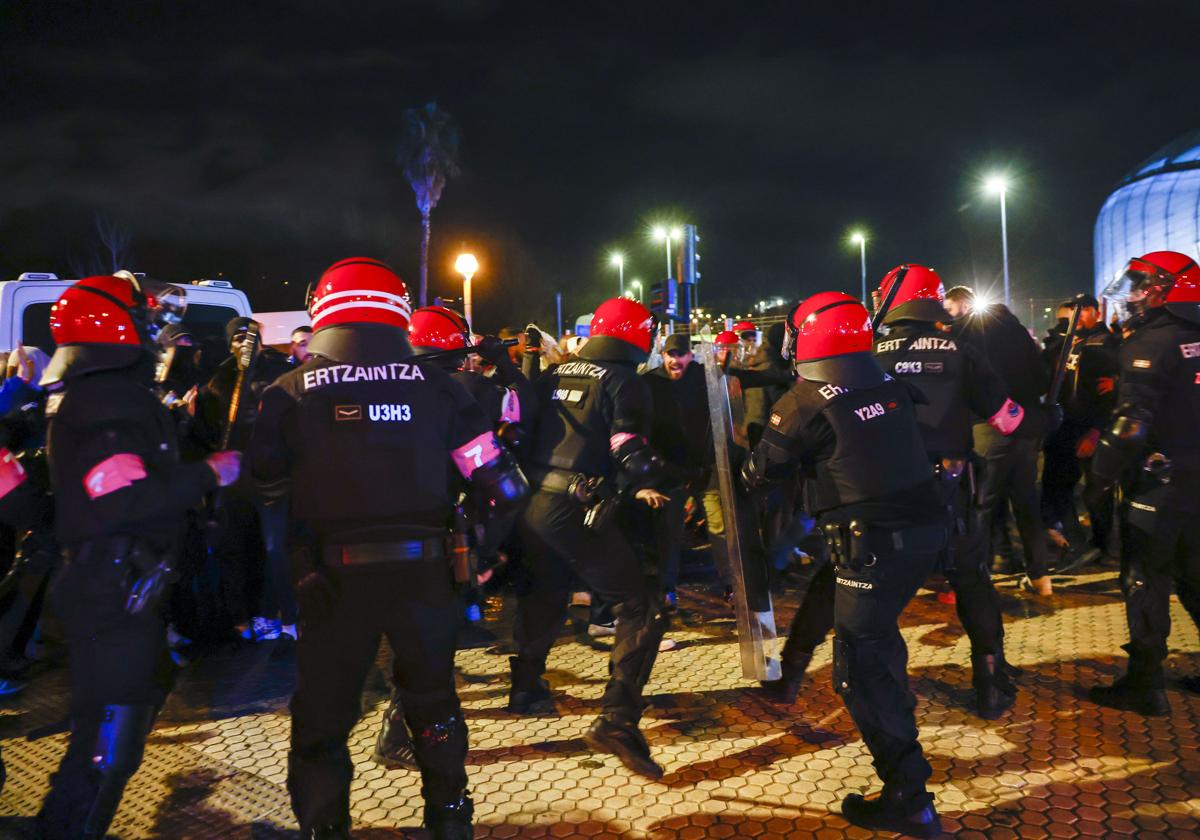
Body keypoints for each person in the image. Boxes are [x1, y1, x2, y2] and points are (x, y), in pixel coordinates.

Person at [248, 258, 527, 839]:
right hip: (426, 578)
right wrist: (478, 549)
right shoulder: (442, 389)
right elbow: (504, 488)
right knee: (433, 704)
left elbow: (265, 500)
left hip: (327, 584)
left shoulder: (286, 394)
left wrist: (288, 579)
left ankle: (327, 827)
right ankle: (450, 822)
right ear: (396, 313)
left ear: (323, 311)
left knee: (322, 719)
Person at [35, 274, 240, 839]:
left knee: (134, 701)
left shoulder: (93, 392)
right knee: (107, 741)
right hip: (112, 586)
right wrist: (207, 472)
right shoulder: (108, 400)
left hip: (113, 582)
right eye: (144, 315)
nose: (158, 327)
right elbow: (122, 499)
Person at [742, 291, 947, 837]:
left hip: (873, 545)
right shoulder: (886, 381)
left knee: (861, 671)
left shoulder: (805, 401)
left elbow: (760, 475)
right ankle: (794, 671)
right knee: (858, 621)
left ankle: (909, 797)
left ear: (806, 335)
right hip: (922, 535)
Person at [511, 297, 671, 779]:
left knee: (545, 592)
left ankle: (525, 688)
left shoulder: (554, 374)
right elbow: (629, 449)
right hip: (576, 507)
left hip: (532, 502)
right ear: (639, 338)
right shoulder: (627, 382)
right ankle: (618, 721)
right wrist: (658, 477)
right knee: (641, 607)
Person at [372, 304, 536, 771]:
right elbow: (504, 487)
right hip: (434, 541)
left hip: (367, 546)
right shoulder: (450, 395)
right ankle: (409, 741)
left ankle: (404, 727)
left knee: (404, 643)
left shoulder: (368, 388)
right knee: (428, 648)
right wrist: (486, 548)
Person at [1086, 251, 1200, 716]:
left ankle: (1145, 682)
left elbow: (1131, 425)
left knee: (1144, 577)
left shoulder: (1150, 343)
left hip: (1160, 483)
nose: (1130, 294)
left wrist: (1098, 478)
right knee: (1195, 574)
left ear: (1163, 290)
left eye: (1139, 285)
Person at [945, 285, 1053, 594]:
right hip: (1025, 429)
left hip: (986, 427)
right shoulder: (1018, 331)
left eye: (950, 310)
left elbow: (960, 383)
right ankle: (1040, 577)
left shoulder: (966, 336)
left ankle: (977, 576)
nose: (948, 317)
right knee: (1027, 503)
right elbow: (1041, 376)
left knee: (980, 505)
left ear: (964, 305)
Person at [1040, 293, 1119, 566]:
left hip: (1092, 426)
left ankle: (1102, 544)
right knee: (1059, 486)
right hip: (1067, 424)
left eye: (1085, 310)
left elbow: (1110, 392)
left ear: (1096, 313)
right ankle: (1079, 541)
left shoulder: (1107, 341)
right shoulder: (1073, 342)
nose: (1080, 315)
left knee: (1096, 490)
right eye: (1076, 311)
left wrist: (1096, 431)